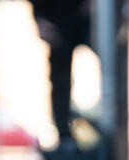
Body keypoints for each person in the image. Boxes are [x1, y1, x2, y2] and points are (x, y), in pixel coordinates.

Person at [32, 0, 91, 141]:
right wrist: (39, 17)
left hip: (84, 18)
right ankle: (64, 134)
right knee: (60, 82)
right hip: (57, 21)